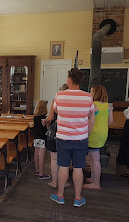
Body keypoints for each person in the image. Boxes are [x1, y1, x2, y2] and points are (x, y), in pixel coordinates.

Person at [50, 68, 95, 207]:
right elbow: (91, 118)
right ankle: (77, 198)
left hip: (63, 137)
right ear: (80, 80)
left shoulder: (59, 95)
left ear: (69, 80)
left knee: (63, 166)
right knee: (78, 167)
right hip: (81, 138)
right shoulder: (88, 97)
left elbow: (55, 110)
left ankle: (60, 196)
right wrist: (85, 132)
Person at [83, 85, 113, 190]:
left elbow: (88, 122)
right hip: (103, 133)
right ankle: (93, 178)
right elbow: (110, 121)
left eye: (91, 92)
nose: (90, 93)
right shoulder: (107, 106)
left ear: (97, 93)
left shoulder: (93, 106)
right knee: (93, 157)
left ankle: (96, 183)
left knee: (95, 159)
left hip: (93, 134)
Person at [43, 84, 70, 189]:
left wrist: (45, 121)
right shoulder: (71, 103)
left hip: (54, 132)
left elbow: (49, 118)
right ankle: (64, 182)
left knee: (54, 160)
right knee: (65, 160)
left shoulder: (56, 101)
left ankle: (54, 182)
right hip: (66, 132)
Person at [33, 100, 51, 180]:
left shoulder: (35, 117)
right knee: (41, 156)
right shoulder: (45, 119)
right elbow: (47, 129)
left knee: (36, 154)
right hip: (43, 138)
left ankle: (37, 170)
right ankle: (41, 173)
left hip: (36, 137)